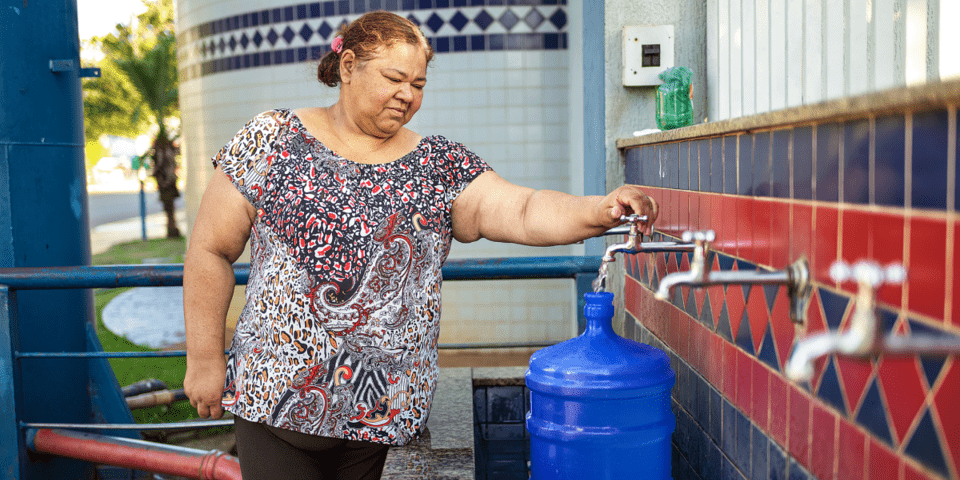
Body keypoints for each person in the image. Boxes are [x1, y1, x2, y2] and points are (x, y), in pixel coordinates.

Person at [183, 10, 658, 480]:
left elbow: (523, 208)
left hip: (382, 418)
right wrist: (204, 359)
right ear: (348, 67)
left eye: (419, 84)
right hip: (274, 407)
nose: (408, 95)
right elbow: (210, 249)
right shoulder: (271, 139)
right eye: (394, 78)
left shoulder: (438, 164)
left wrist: (598, 210)